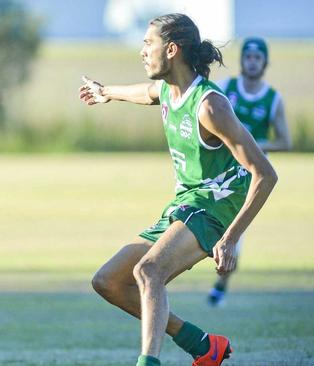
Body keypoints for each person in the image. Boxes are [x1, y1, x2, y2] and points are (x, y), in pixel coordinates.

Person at [79, 13, 277, 366]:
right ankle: (201, 345)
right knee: (108, 281)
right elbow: (145, 93)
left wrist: (231, 238)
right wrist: (106, 92)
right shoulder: (168, 91)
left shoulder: (210, 105)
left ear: (171, 50)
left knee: (148, 271)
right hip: (186, 204)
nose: (142, 52)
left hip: (215, 206)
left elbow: (265, 174)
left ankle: (148, 363)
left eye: (147, 43)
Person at [207, 37, 291, 306]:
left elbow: (285, 141)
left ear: (264, 62)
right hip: (219, 170)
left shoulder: (272, 98)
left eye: (258, 58)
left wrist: (251, 144)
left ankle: (221, 283)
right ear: (242, 60)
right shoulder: (225, 89)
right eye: (248, 57)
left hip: (249, 176)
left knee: (234, 233)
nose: (252, 62)